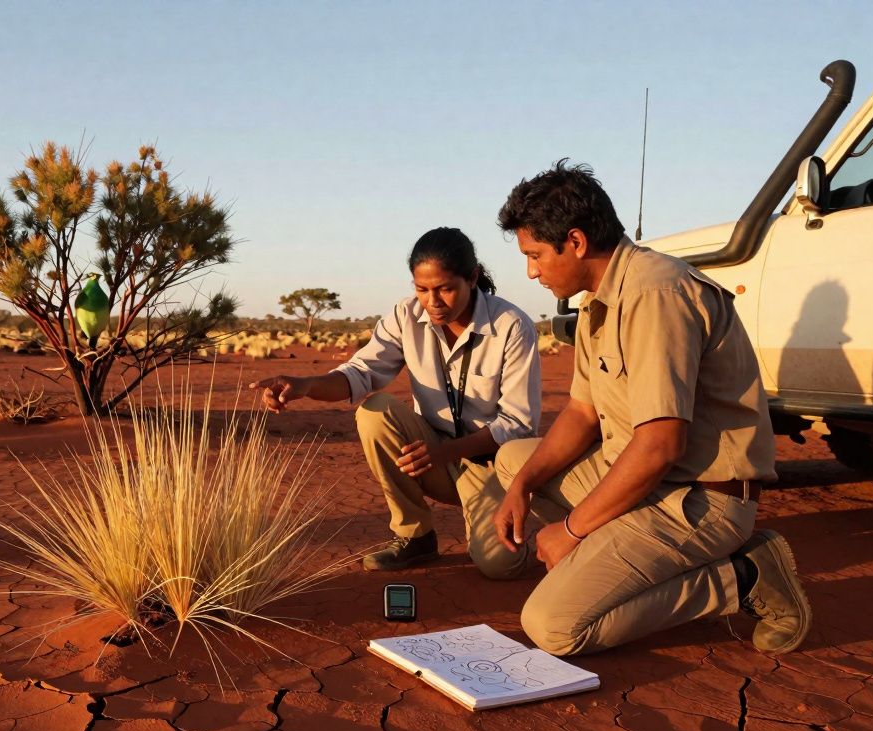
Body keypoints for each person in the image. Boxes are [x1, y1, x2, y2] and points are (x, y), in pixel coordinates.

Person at [490, 160, 811, 656]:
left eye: (535, 255)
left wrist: (572, 531)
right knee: (515, 461)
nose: (530, 271)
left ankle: (743, 577)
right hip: (646, 480)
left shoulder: (655, 292)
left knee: (553, 627)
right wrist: (522, 486)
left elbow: (660, 446)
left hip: (700, 500)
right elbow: (581, 412)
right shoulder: (600, 298)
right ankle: (617, 543)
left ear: (575, 242)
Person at [251, 227, 542, 575]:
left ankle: (531, 537)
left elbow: (518, 423)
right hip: (431, 457)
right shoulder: (405, 317)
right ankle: (415, 536)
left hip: (489, 464)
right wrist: (306, 384)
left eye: (445, 289)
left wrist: (444, 453)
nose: (432, 301)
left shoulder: (511, 326)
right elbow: (361, 373)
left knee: (499, 565)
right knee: (375, 412)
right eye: (422, 289)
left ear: (473, 277)